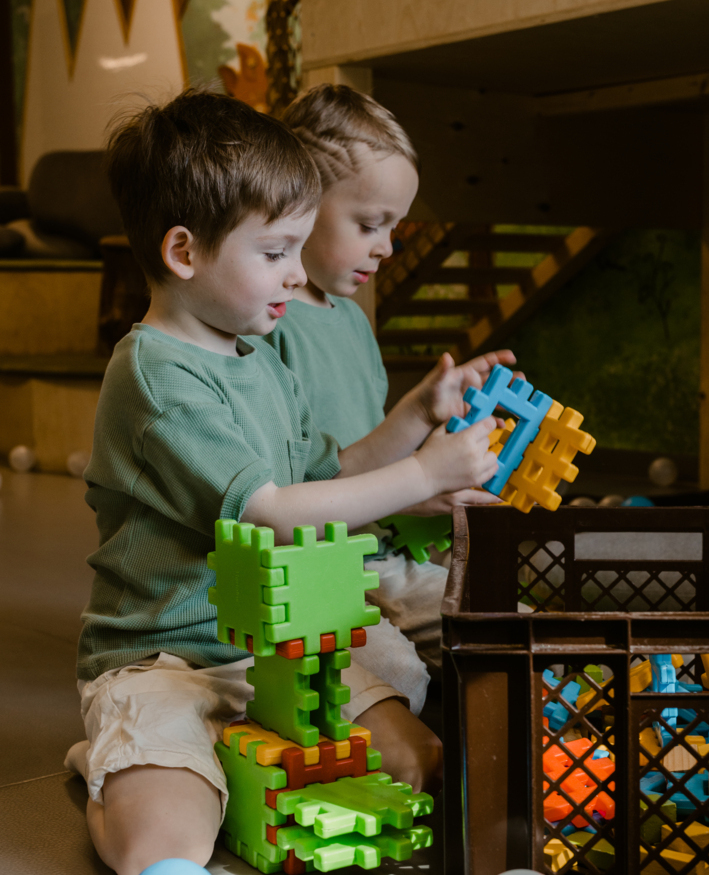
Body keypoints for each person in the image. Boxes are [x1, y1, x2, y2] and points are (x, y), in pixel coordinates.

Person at [64, 89, 500, 875]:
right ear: (184, 252)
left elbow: (325, 470)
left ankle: (216, 770)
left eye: (301, 248)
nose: (297, 275)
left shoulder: (254, 353)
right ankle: (119, 768)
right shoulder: (157, 376)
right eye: (276, 252)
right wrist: (422, 471)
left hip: (279, 643)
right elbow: (271, 514)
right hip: (167, 656)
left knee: (418, 765)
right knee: (170, 843)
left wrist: (411, 421)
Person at [262, 83, 515, 676]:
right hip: (315, 571)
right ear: (298, 202)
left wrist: (424, 422)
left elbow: (368, 467)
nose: (388, 247)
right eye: (371, 223)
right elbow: (286, 499)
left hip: (381, 554)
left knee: (516, 628)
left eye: (393, 226)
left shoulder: (351, 321)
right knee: (406, 674)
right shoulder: (268, 325)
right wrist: (419, 478)